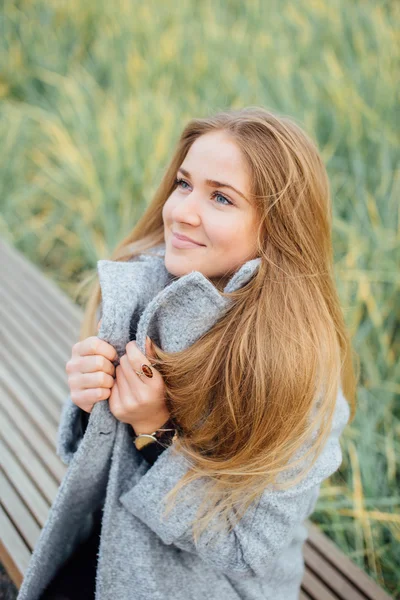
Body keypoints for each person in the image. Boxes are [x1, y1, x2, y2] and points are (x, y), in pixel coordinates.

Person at [19, 106, 359, 600]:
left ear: (277, 226)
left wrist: (154, 429)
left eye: (221, 197)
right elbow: (81, 460)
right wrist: (91, 398)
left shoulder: (300, 367)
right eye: (184, 183)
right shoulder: (145, 288)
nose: (182, 211)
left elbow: (243, 547)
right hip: (115, 538)